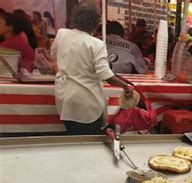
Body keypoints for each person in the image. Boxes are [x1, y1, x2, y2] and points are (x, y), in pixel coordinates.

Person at [51, 2, 135, 135]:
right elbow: (105, 74)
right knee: (88, 143)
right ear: (95, 23)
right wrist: (125, 86)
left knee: (73, 138)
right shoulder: (96, 44)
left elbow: (54, 56)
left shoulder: (61, 34)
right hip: (86, 103)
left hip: (65, 98)